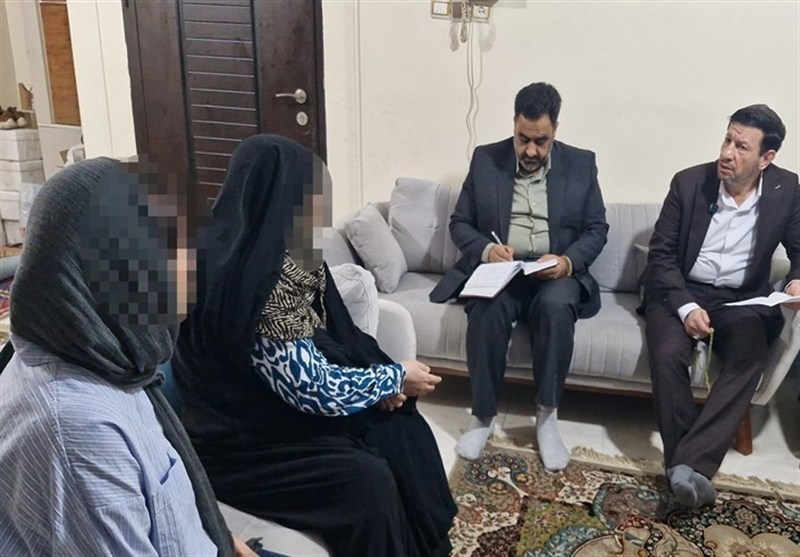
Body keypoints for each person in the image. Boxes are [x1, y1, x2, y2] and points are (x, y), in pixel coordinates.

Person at [172, 134, 457, 557]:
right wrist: (392, 377)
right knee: (367, 481)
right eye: (310, 204)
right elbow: (310, 387)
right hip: (236, 441)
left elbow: (331, 338)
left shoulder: (282, 256)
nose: (318, 219)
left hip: (269, 410)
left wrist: (379, 382)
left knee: (397, 429)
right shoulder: (250, 279)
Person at [0, 159, 260, 556]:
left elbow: (171, 505)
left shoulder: (107, 355)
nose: (191, 278)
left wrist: (230, 543)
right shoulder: (78, 428)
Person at [430, 82, 609, 471]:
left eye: (540, 141)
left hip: (553, 273)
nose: (530, 151)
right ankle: (482, 416)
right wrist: (486, 250)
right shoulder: (485, 159)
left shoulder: (581, 164)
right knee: (485, 307)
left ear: (555, 129)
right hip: (503, 270)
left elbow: (596, 229)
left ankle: (546, 417)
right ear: (514, 124)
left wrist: (566, 262)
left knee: (556, 307)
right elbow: (460, 222)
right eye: (523, 139)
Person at [643, 104, 800, 508]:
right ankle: (688, 469)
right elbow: (661, 256)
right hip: (680, 289)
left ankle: (684, 465)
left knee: (749, 358)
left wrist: (796, 281)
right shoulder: (688, 183)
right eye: (727, 139)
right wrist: (685, 308)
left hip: (741, 299)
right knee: (667, 354)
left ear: (766, 158)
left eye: (741, 147)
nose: (727, 153)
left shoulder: (786, 189)